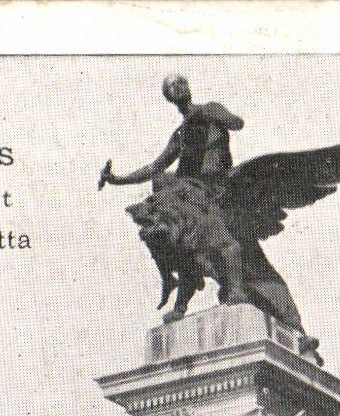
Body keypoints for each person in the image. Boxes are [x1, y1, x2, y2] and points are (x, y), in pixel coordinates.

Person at [99, 76, 249, 310]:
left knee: (169, 199)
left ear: (189, 87)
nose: (178, 86)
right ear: (169, 97)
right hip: (189, 192)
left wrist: (213, 115)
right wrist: (117, 180)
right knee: (156, 215)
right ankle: (170, 278)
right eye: (172, 86)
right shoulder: (181, 134)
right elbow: (153, 167)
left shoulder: (210, 110)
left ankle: (228, 288)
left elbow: (237, 123)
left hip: (218, 188)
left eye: (181, 82)